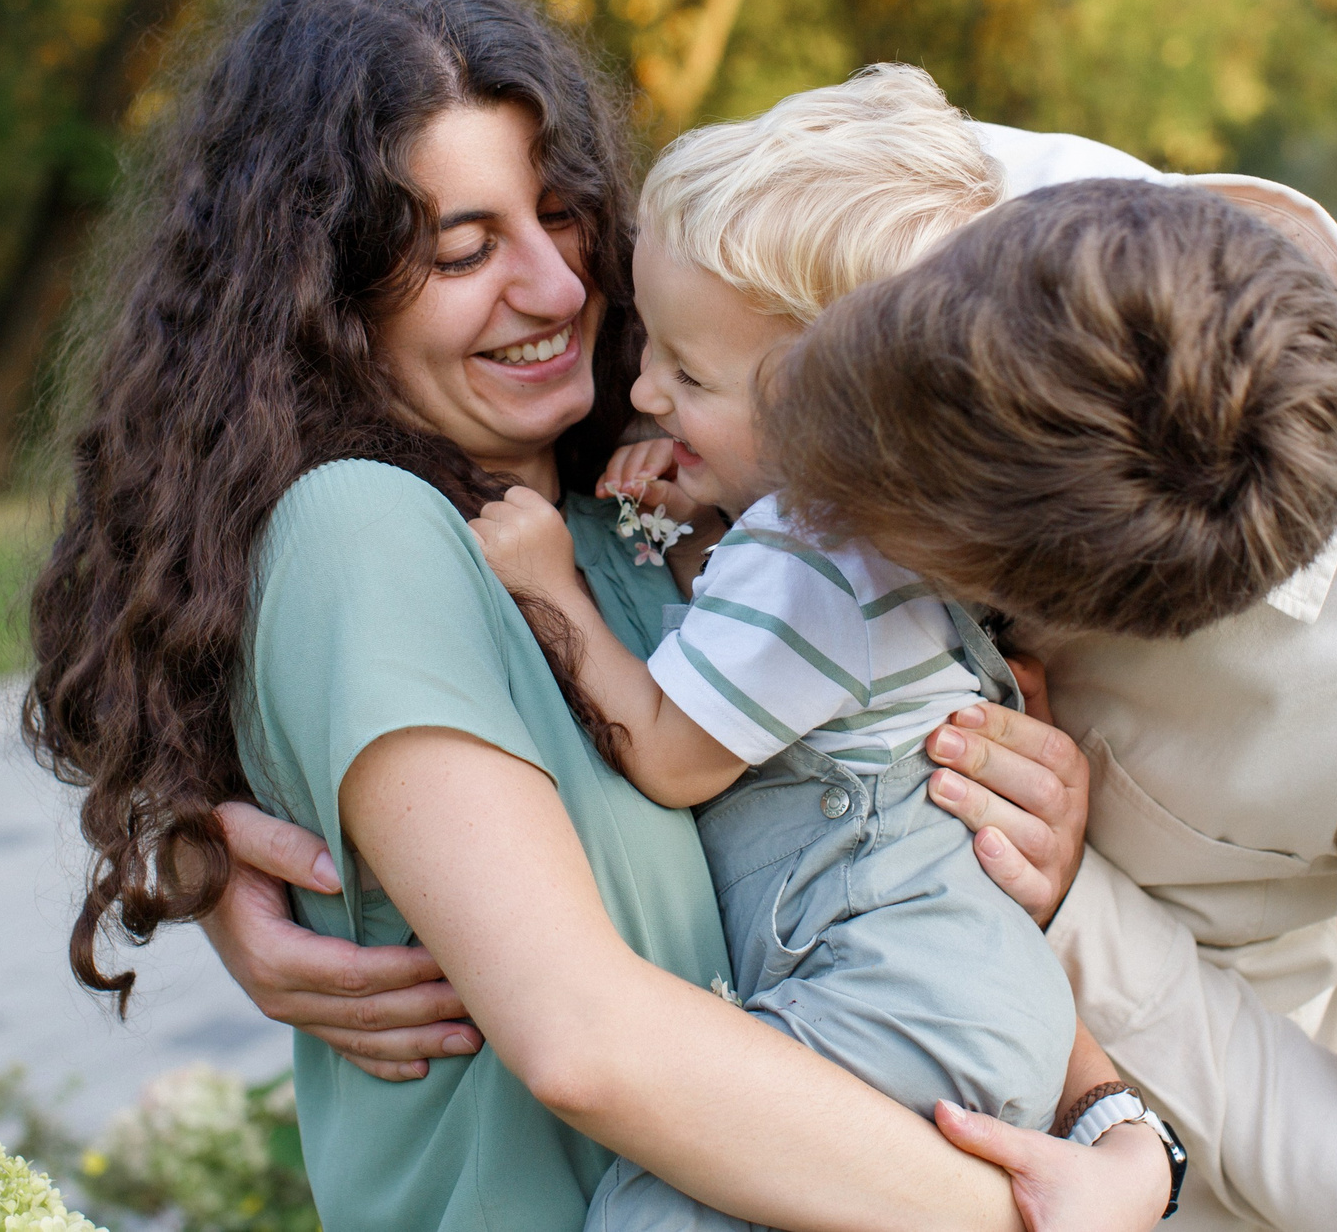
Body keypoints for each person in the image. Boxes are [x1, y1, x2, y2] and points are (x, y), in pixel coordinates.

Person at [204, 96, 1337, 1232]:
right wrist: (184, 821)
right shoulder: (892, 208)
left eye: (924, 574)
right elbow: (471, 330)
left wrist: (1113, 1052)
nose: (845, 563)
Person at [22, 0, 1169, 1232]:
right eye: (465, 250)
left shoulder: (661, 530)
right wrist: (1026, 1221)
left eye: (561, 214)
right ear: (320, 304)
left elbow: (890, 903)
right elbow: (586, 1039)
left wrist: (1119, 1135)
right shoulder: (370, 531)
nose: (560, 289)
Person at [469, 72, 1205, 1230]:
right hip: (967, 1003)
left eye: (690, 375)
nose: (645, 389)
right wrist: (715, 495)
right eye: (651, 348)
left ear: (832, 416)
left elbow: (669, 755)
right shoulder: (858, 541)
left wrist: (548, 587)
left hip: (896, 994)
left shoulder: (805, 559)